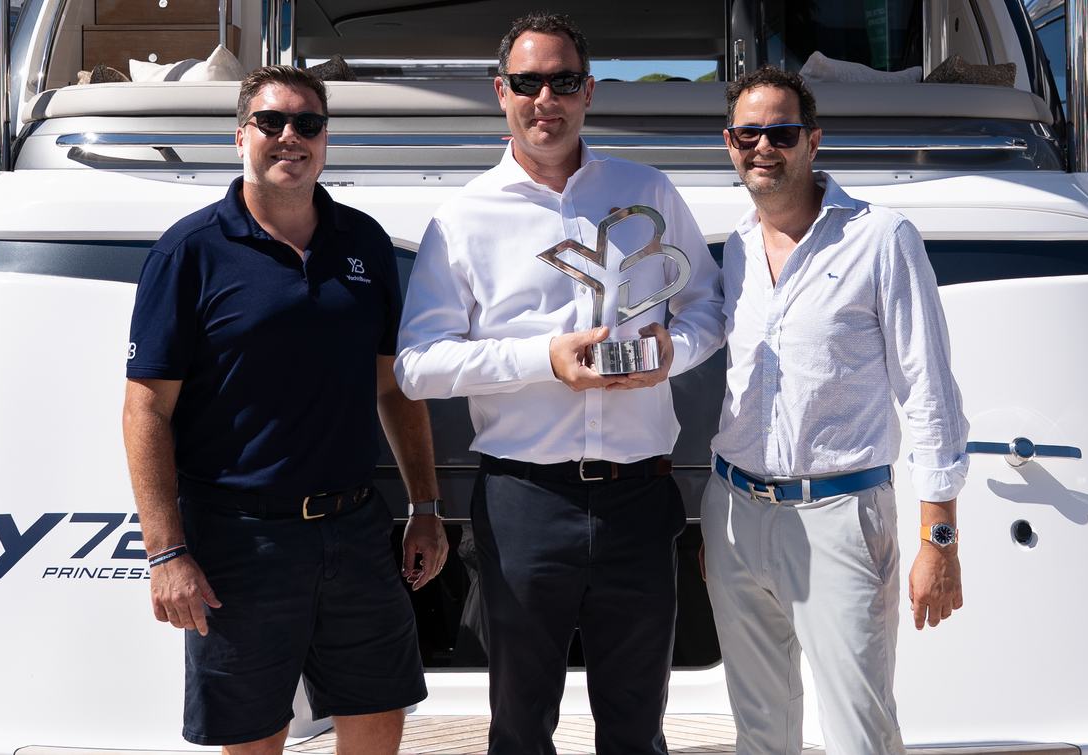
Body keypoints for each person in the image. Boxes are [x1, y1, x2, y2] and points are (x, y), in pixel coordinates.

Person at [394, 12, 723, 755]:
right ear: (500, 92)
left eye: (563, 81)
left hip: (641, 497)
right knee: (519, 724)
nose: (547, 97)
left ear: (589, 91)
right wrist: (543, 358)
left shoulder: (648, 189)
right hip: (523, 504)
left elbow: (709, 305)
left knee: (638, 725)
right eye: (529, 82)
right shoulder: (463, 218)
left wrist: (677, 349)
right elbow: (417, 364)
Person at [122, 65, 447, 755]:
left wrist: (423, 505)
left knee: (378, 713)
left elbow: (394, 388)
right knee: (253, 735)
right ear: (242, 135)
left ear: (326, 140)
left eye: (308, 123)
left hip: (357, 529)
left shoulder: (363, 243)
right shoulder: (190, 251)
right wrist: (166, 551)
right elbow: (144, 411)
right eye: (271, 122)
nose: (289, 136)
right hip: (240, 541)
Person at [703, 66, 969, 755]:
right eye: (748, 132)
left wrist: (939, 539)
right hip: (734, 510)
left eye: (781, 132)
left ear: (813, 141)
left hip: (841, 517)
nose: (763, 146)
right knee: (760, 730)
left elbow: (931, 390)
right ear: (729, 143)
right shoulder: (732, 247)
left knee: (860, 730)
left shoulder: (881, 238)